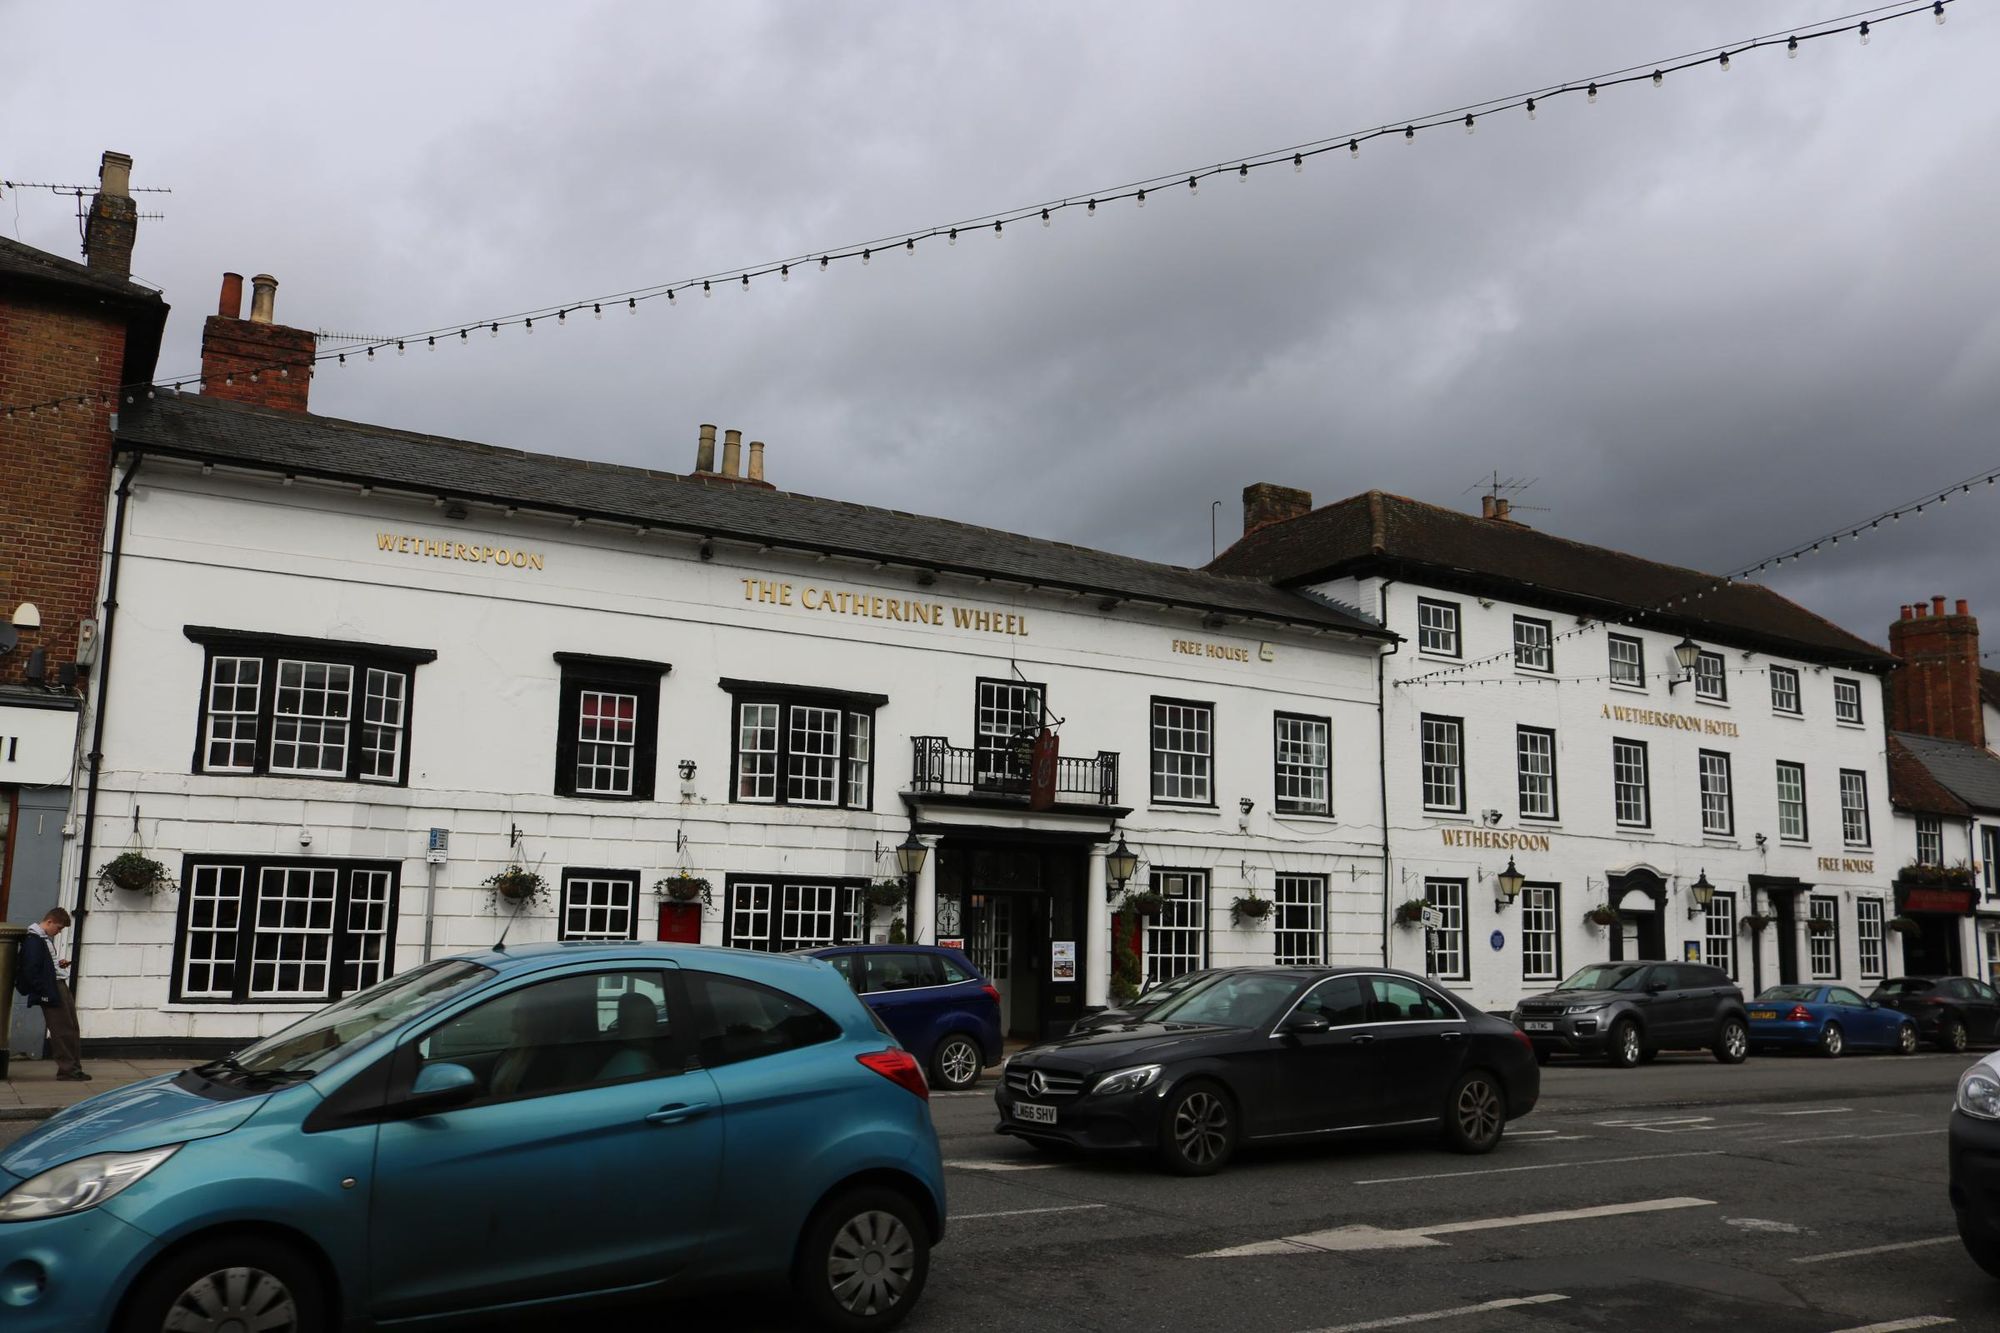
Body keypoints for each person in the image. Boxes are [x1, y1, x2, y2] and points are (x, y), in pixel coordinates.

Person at [18, 907, 88, 1081]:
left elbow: (43, 965)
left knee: (71, 1028)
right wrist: (43, 991)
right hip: (52, 988)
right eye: (58, 928)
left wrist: (57, 965)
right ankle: (68, 1070)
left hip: (57, 984)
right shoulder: (33, 940)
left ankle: (73, 1068)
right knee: (62, 1030)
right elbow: (30, 969)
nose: (58, 932)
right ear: (49, 922)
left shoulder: (42, 939)